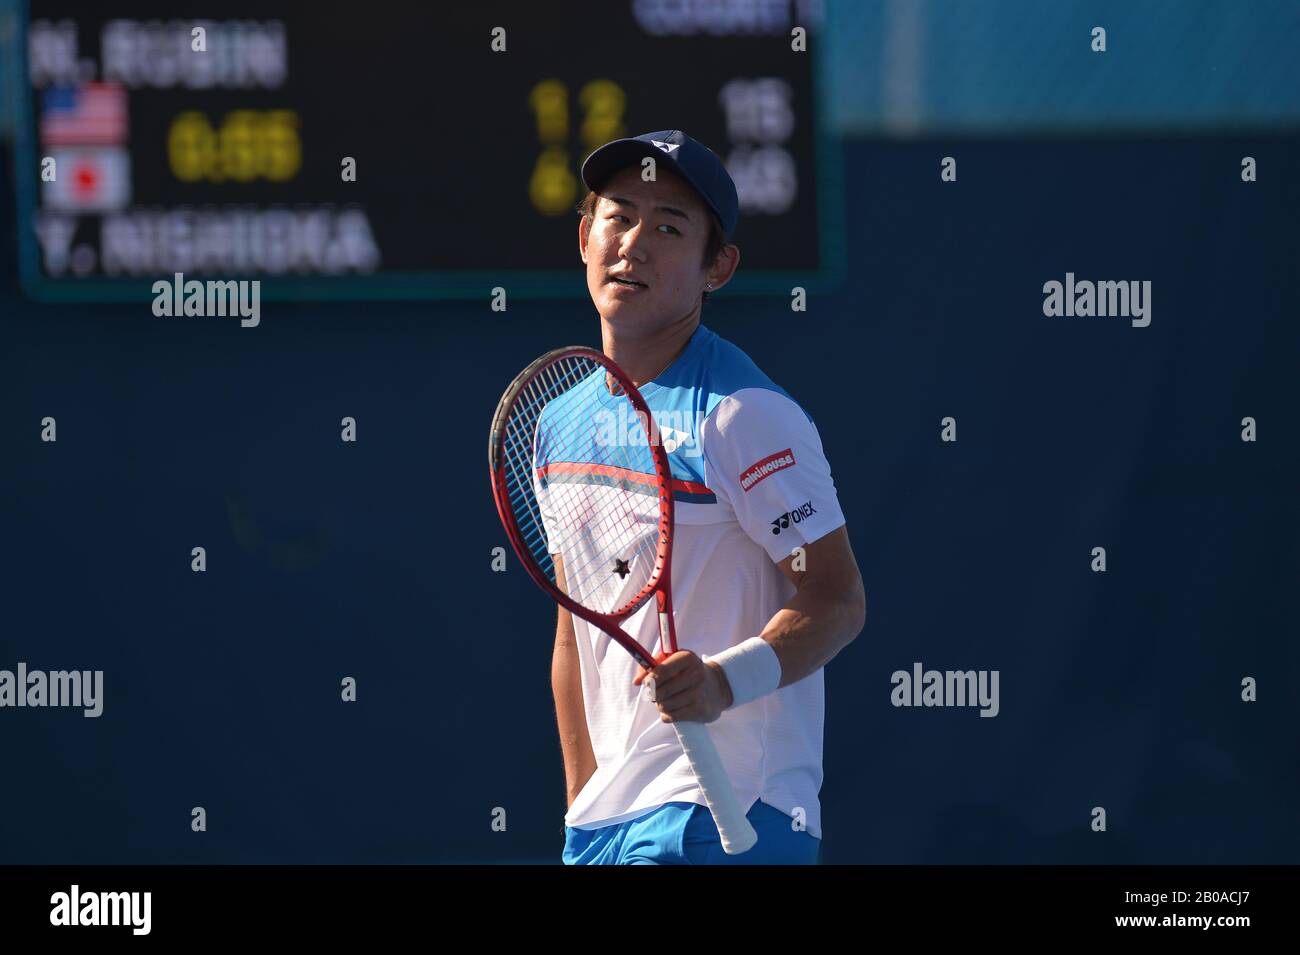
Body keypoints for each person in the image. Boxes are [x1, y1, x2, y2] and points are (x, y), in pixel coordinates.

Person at [552, 129, 866, 864]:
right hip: (606, 829)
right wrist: (581, 808)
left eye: (668, 227)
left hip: (730, 817)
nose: (634, 243)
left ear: (716, 268)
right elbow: (573, 636)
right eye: (618, 215)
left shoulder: (743, 414)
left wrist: (725, 680)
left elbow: (837, 599)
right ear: (584, 235)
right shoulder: (557, 423)